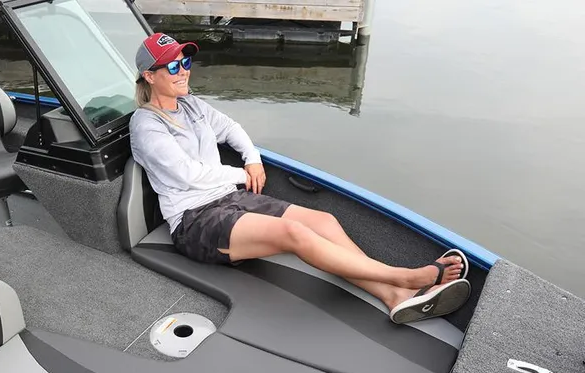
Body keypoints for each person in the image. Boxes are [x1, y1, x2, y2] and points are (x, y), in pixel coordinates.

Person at [129, 33, 471, 324]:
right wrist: (241, 173)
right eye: (172, 67)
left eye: (185, 62)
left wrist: (252, 158)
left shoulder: (191, 105)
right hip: (194, 221)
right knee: (295, 233)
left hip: (229, 198)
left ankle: (393, 296)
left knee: (323, 221)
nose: (183, 71)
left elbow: (230, 128)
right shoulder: (146, 124)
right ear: (149, 76)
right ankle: (406, 277)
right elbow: (187, 174)